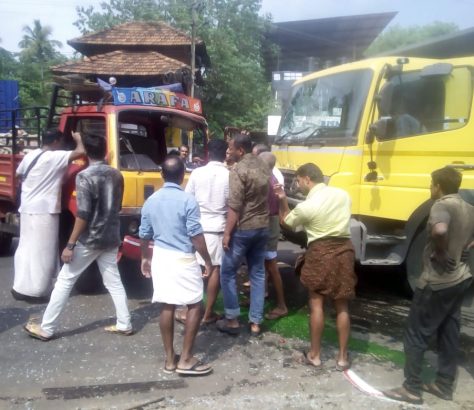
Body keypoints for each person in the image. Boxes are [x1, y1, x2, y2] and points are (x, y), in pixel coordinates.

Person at [23, 133, 132, 340]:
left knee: (65, 280)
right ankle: (124, 323)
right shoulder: (117, 174)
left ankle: (47, 328)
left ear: (87, 154)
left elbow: (83, 214)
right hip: (110, 236)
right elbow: (116, 207)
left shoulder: (85, 176)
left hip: (89, 239)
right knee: (114, 282)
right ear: (106, 152)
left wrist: (70, 244)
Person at [384, 167, 474, 405]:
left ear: (438, 185)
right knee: (448, 333)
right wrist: (468, 245)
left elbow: (440, 229)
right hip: (461, 279)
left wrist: (442, 251)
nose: (430, 187)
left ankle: (411, 389)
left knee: (415, 334)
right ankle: (444, 385)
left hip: (437, 283)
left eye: (431, 183)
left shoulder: (441, 206)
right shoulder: (467, 207)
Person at [274, 163, 357, 370]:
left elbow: (287, 222)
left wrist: (283, 201)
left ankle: (315, 355)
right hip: (345, 250)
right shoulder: (343, 195)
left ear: (307, 180)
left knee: (316, 303)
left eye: (299, 181)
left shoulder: (307, 206)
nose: (299, 185)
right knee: (342, 304)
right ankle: (342, 358)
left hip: (320, 252)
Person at [139, 156, 213, 376]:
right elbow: (196, 236)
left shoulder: (152, 200)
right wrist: (207, 260)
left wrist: (145, 257)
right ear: (182, 176)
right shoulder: (188, 200)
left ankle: (170, 359)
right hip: (183, 257)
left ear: (162, 175)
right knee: (194, 304)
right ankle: (187, 358)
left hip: (161, 256)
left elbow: (144, 234)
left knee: (167, 305)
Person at [12, 128, 85, 302]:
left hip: (27, 208)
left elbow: (18, 174)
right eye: (60, 142)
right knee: (42, 252)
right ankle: (37, 291)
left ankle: (20, 287)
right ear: (55, 142)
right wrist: (78, 138)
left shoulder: (31, 155)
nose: (61, 145)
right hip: (45, 210)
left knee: (26, 248)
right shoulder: (54, 157)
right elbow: (81, 152)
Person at [217, 133, 270, 337]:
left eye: (231, 148)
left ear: (241, 150)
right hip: (263, 226)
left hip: (244, 228)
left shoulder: (238, 170)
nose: (228, 151)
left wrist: (227, 233)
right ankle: (255, 322)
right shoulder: (263, 165)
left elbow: (235, 206)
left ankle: (231, 319)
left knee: (227, 271)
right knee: (257, 273)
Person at [175, 138, 229, 325]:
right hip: (218, 229)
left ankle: (189, 310)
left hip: (197, 227)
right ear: (225, 154)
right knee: (215, 270)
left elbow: (187, 199)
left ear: (208, 153)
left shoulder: (197, 173)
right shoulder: (229, 175)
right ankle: (207, 314)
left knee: (195, 269)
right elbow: (232, 205)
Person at [259, 151, 288, 320]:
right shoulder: (271, 179)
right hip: (270, 223)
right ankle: (261, 295)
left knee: (271, 265)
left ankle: (282, 305)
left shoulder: (267, 181)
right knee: (262, 265)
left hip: (269, 224)